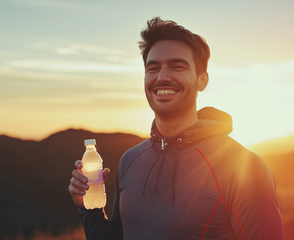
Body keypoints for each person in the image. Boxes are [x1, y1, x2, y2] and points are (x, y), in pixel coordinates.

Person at [68, 17, 285, 240]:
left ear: (202, 81)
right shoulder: (130, 160)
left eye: (177, 66)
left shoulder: (245, 170)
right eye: (153, 68)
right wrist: (88, 207)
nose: (162, 77)